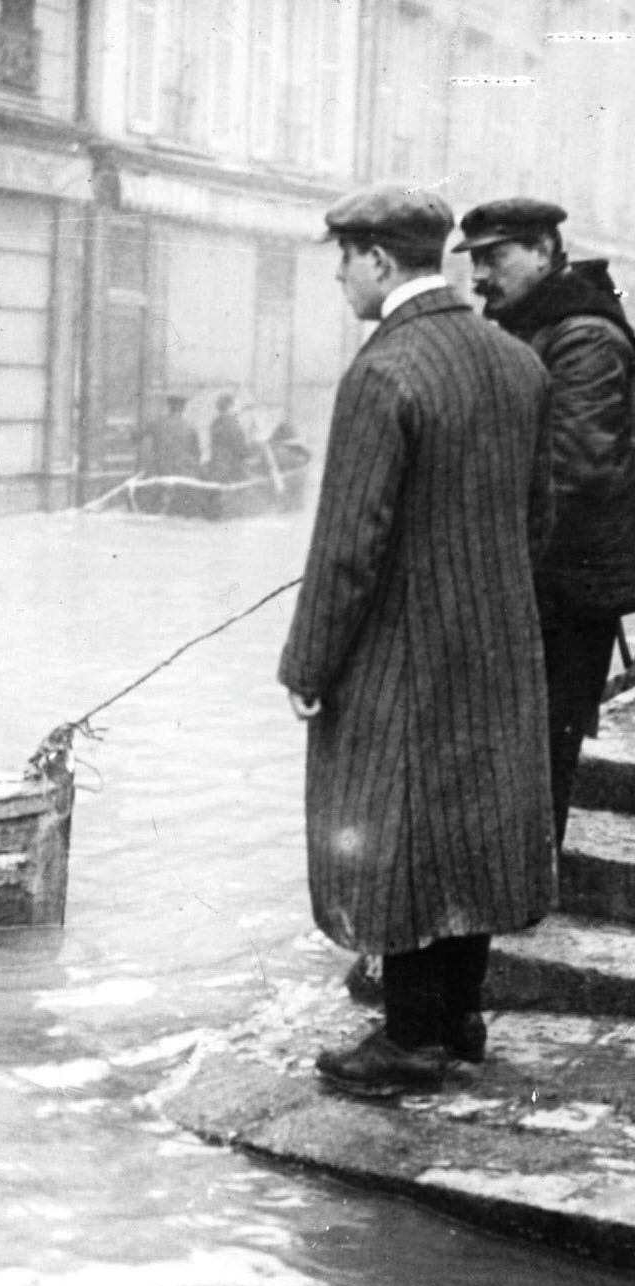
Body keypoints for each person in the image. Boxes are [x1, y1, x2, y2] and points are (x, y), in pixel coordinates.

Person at [278, 184, 556, 1097]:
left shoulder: (382, 372)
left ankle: (406, 1039)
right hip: (498, 645)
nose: (336, 274)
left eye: (343, 257)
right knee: (470, 828)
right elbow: (540, 518)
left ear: (379, 261)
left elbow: (348, 544)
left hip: (402, 656)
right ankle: (459, 1018)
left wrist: (309, 663)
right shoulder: (514, 360)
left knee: (393, 831)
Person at [455, 198, 635, 846]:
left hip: (565, 585)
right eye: (475, 259)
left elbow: (575, 471)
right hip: (527, 576)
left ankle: (529, 886)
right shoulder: (528, 325)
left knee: (544, 738)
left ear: (542, 251)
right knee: (510, 738)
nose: (479, 275)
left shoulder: (582, 334)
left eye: (494, 256)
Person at [204, 393, 254, 482]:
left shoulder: (216, 422)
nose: (240, 408)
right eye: (237, 405)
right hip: (231, 471)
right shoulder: (232, 425)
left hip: (217, 467)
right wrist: (252, 453)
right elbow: (241, 450)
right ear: (230, 407)